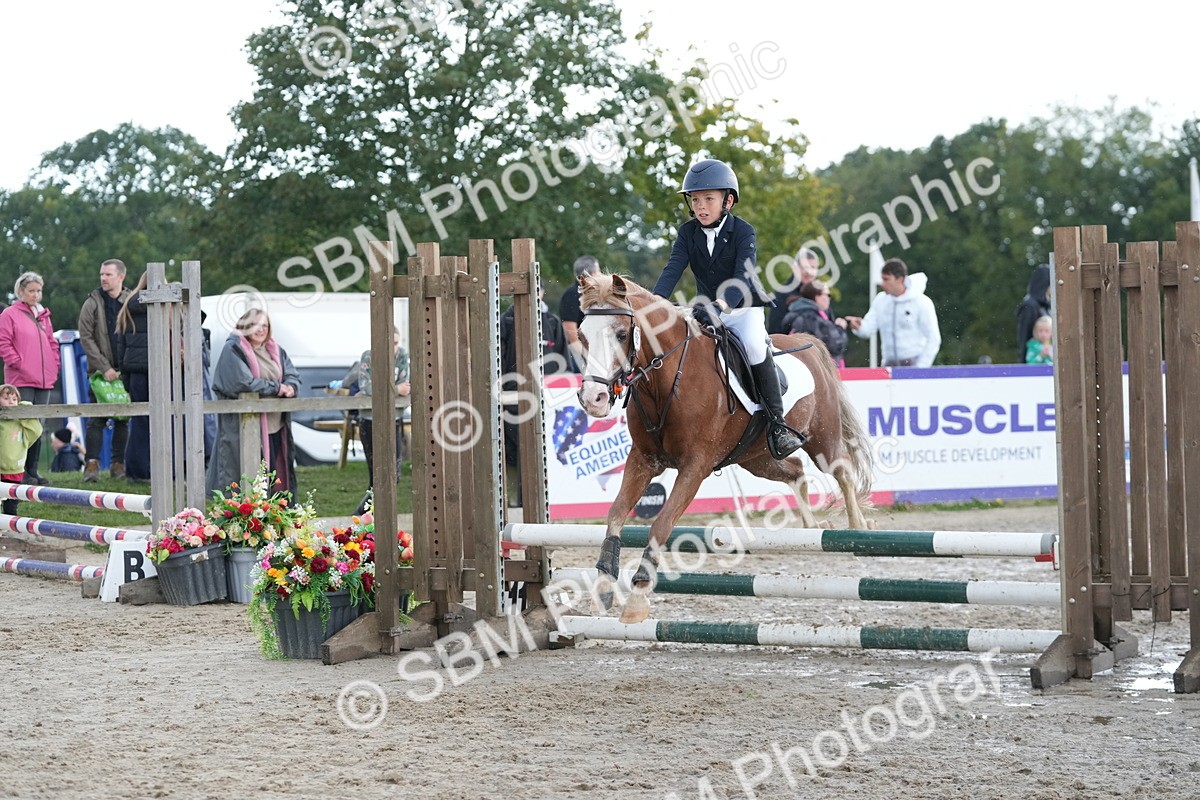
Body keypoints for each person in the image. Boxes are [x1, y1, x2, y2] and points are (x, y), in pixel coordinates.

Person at [651, 158, 804, 459]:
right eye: (695, 200)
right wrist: (653, 303)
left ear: (728, 201)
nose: (701, 206)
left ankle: (778, 425)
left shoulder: (744, 231)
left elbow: (742, 276)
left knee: (753, 347)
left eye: (709, 199)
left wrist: (720, 305)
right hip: (706, 310)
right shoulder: (687, 233)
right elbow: (672, 270)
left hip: (742, 309)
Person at [206, 308, 301, 500]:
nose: (261, 329)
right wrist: (276, 388)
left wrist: (290, 386)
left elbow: (292, 374)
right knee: (246, 481)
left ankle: (275, 520)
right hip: (245, 429)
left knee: (276, 480)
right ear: (245, 325)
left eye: (265, 325)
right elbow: (241, 382)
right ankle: (246, 520)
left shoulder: (276, 350)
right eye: (256, 325)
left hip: (276, 428)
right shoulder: (233, 349)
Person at [500, 287, 572, 504]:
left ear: (542, 293)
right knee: (524, 450)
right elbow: (499, 364)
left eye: (537, 290)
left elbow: (564, 362)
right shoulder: (506, 321)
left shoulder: (552, 322)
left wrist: (564, 392)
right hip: (515, 399)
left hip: (549, 399)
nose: (532, 294)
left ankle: (551, 500)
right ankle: (524, 501)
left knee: (548, 451)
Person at [342, 326, 410, 516]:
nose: (394, 347)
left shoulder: (402, 356)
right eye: (390, 343)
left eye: (396, 343)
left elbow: (407, 384)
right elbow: (367, 387)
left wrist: (385, 391)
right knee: (376, 475)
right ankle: (365, 518)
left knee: (394, 475)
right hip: (369, 420)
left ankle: (362, 516)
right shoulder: (369, 356)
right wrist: (395, 390)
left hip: (394, 418)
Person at [0, 272, 60, 485]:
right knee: (19, 426)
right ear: (20, 292)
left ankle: (32, 471)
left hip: (44, 380)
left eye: (39, 291)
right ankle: (17, 471)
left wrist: (54, 365)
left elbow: (52, 342)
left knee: (37, 427)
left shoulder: (44, 315)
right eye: (31, 291)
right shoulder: (9, 314)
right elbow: (3, 342)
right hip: (21, 379)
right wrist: (19, 363)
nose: (36, 295)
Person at [77, 258, 132, 481]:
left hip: (125, 371)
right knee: (96, 418)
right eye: (101, 274)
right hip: (99, 373)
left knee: (123, 419)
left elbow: (138, 336)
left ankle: (118, 464)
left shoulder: (132, 301)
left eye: (108, 274)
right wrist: (105, 367)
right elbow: (86, 337)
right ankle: (91, 464)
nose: (103, 278)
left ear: (121, 277)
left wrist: (125, 368)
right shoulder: (92, 302)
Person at [846, 258, 941, 368]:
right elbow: (868, 330)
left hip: (914, 363)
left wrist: (921, 368)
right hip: (888, 365)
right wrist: (859, 326)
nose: (882, 284)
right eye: (882, 279)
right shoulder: (880, 300)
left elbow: (933, 338)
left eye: (886, 279)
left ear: (900, 279)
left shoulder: (922, 302)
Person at [115, 272, 151, 481]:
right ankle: (160, 468)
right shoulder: (164, 305)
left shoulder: (128, 306)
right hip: (160, 369)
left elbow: (120, 346)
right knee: (164, 421)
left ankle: (136, 470)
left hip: (135, 371)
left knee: (138, 421)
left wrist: (125, 377)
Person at [781, 280, 849, 366]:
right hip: (816, 369)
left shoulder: (795, 314)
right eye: (828, 295)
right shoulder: (811, 318)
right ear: (817, 296)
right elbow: (834, 345)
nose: (829, 298)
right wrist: (840, 328)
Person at [0, 384, 43, 515]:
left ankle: (9, 529)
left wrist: (25, 412)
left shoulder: (22, 424)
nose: (11, 401)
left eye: (14, 399)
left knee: (11, 506)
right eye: (6, 398)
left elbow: (36, 431)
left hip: (15, 470)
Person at [558, 254, 600, 372]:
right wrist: (587, 357)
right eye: (599, 271)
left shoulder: (591, 294)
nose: (601, 275)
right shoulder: (572, 295)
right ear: (591, 274)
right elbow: (570, 331)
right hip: (577, 355)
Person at [767, 247, 820, 335]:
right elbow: (775, 330)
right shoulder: (783, 293)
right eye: (805, 267)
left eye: (813, 268)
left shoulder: (820, 294)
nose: (809, 272)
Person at [1016, 263, 1052, 363]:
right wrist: (1024, 368)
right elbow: (1024, 338)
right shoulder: (1030, 306)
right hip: (1033, 361)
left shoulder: (1046, 306)